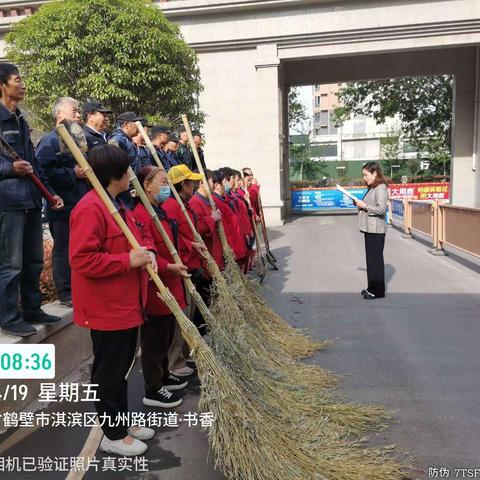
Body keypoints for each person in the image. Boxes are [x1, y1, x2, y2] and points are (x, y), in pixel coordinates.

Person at [69, 144, 157, 456]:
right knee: (109, 372)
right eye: (128, 169)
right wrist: (127, 262)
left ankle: (120, 421)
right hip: (107, 308)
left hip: (127, 304)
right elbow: (82, 260)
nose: (132, 174)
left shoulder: (116, 205)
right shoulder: (90, 209)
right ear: (115, 174)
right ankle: (112, 433)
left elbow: (138, 239)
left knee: (121, 369)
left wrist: (149, 254)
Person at [0, 62, 64, 337]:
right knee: (10, 264)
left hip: (31, 201)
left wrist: (50, 195)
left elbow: (34, 164)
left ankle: (32, 308)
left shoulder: (20, 120)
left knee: (34, 260)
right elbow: (15, 166)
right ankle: (9, 317)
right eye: (17, 79)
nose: (23, 84)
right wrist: (8, 169)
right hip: (8, 204)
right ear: (2, 84)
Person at [133, 166, 192, 407]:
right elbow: (150, 252)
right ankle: (153, 388)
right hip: (157, 285)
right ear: (146, 185)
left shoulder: (157, 211)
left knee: (166, 335)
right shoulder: (141, 214)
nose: (166, 186)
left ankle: (164, 375)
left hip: (171, 282)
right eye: (162, 181)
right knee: (154, 341)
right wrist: (169, 267)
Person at [36, 96, 89, 307]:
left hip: (80, 203)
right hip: (62, 205)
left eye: (78, 111)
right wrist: (72, 173)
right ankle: (65, 292)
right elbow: (42, 171)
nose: (78, 115)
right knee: (63, 248)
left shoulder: (77, 142)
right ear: (59, 114)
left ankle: (79, 288)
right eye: (73, 110)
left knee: (80, 248)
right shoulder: (49, 141)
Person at [163, 164, 207, 375]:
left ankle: (183, 355)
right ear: (183, 185)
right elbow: (173, 237)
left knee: (188, 316)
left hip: (193, 263)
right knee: (180, 318)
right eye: (191, 182)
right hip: (182, 265)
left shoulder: (184, 204)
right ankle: (175, 362)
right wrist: (190, 246)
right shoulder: (172, 206)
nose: (195, 185)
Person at [188, 169, 223, 334]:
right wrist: (212, 219)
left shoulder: (208, 201)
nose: (214, 185)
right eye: (211, 182)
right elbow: (197, 229)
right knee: (203, 300)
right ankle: (202, 332)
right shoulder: (195, 202)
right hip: (204, 258)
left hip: (213, 255)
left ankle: (208, 329)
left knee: (210, 298)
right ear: (202, 183)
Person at [354, 161, 389, 300]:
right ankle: (371, 288)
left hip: (376, 230)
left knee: (376, 261)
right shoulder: (372, 188)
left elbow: (381, 209)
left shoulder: (381, 188)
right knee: (371, 261)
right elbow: (369, 205)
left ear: (375, 173)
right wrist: (359, 204)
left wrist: (365, 206)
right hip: (369, 229)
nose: (364, 178)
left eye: (366, 175)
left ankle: (378, 291)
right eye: (363, 175)